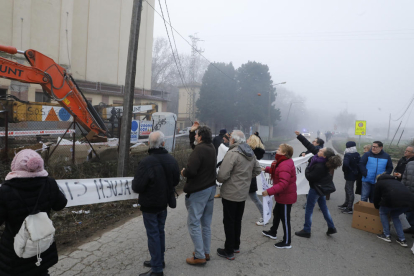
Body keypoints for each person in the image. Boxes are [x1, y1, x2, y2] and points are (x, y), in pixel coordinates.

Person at [0, 149, 68, 276]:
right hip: (41, 243)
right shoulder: (49, 183)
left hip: (15, 249)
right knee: (40, 271)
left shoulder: (6, 190)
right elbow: (60, 205)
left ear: (15, 166)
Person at [132, 131, 180, 276]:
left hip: (149, 205)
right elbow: (176, 181)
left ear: (149, 144)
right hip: (163, 202)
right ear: (163, 143)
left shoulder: (146, 162)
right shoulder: (172, 160)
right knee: (160, 231)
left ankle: (157, 269)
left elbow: (137, 187)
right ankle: (159, 260)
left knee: (153, 234)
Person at [216, 130, 262, 260]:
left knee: (229, 222)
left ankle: (229, 250)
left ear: (233, 140)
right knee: (237, 220)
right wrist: (245, 178)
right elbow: (257, 170)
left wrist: (223, 179)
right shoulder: (250, 153)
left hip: (230, 193)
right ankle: (236, 245)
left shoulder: (233, 153)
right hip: (242, 193)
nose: (229, 139)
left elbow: (222, 176)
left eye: (230, 138)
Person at [293, 131, 342, 238]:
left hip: (316, 189)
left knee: (309, 209)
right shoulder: (320, 157)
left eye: (321, 150)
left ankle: (306, 230)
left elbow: (310, 177)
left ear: (324, 155)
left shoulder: (320, 165)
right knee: (324, 207)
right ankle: (331, 227)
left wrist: (307, 167)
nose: (319, 149)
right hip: (321, 189)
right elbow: (309, 145)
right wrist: (299, 136)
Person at [181, 126, 217, 265]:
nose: (195, 137)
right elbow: (194, 147)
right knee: (206, 224)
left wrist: (184, 172)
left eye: (196, 135)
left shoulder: (200, 150)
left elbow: (191, 171)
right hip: (210, 189)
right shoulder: (211, 147)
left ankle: (200, 256)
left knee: (193, 223)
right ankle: (205, 252)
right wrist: (191, 132)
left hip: (199, 190)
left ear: (200, 137)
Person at [261, 144, 297, 249]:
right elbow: (277, 171)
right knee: (276, 213)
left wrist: (269, 191)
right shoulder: (281, 162)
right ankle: (273, 232)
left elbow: (283, 184)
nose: (277, 150)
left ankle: (287, 242)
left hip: (285, 197)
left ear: (284, 153)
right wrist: (266, 169)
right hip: (282, 196)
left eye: (279, 149)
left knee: (285, 218)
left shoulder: (284, 164)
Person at [374, 174, 414, 247]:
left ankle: (386, 235)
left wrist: (377, 207)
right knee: (395, 216)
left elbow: (376, 197)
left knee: (382, 212)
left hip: (393, 200)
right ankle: (402, 239)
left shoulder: (379, 183)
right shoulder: (396, 181)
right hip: (409, 202)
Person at [246, 134, 266, 226]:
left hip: (248, 179)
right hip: (248, 179)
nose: (247, 139)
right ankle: (265, 216)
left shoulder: (250, 153)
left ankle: (264, 216)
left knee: (255, 199)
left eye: (249, 138)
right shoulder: (252, 152)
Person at [338, 141, 360, 214]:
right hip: (355, 174)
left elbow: (345, 164)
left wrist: (346, 171)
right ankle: (346, 204)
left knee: (349, 190)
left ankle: (349, 207)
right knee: (347, 188)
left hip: (349, 175)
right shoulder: (357, 154)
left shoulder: (347, 155)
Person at [214, 133, 231, 199]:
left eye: (224, 139)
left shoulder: (223, 146)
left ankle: (222, 193)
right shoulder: (223, 145)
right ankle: (220, 193)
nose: (223, 140)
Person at [402, 161, 414, 234]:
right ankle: (410, 227)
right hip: (408, 192)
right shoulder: (410, 164)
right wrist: (402, 188)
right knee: (409, 210)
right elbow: (404, 177)